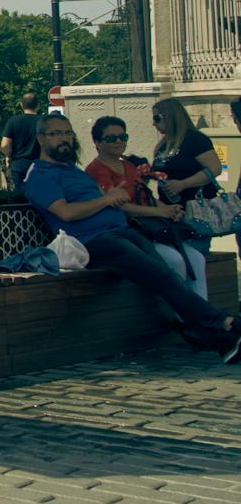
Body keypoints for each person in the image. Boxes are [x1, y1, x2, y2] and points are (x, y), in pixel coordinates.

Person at [22, 113, 239, 362]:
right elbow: (66, 213)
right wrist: (106, 199)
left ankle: (217, 338)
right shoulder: (40, 175)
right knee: (161, 274)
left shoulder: (73, 171)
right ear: (41, 138)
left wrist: (113, 197)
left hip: (123, 232)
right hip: (93, 241)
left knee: (166, 274)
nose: (64, 139)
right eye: (56, 134)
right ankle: (223, 323)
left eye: (68, 133)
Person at [85, 115, 207, 298]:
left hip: (153, 228)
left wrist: (168, 208)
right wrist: (160, 211)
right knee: (175, 261)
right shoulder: (95, 171)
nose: (118, 142)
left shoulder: (128, 165)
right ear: (97, 142)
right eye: (111, 138)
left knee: (197, 258)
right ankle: (180, 315)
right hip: (131, 231)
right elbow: (121, 207)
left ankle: (200, 313)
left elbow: (145, 196)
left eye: (122, 137)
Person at [150, 98, 225, 206]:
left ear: (169, 117)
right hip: (171, 208)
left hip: (198, 205)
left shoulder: (194, 139)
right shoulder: (163, 144)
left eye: (157, 118)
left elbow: (215, 169)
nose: (154, 123)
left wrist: (183, 184)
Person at [0, 92, 44, 189]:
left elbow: (5, 145)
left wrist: (8, 156)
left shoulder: (13, 121)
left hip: (18, 166)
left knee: (19, 196)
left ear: (21, 105)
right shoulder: (44, 121)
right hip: (40, 166)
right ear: (38, 105)